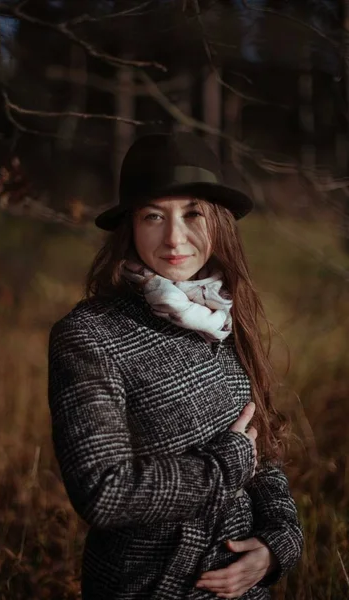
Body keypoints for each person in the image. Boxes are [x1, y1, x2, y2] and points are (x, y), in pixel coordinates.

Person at [48, 132, 303, 599]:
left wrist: (277, 543)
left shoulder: (222, 315)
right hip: (150, 586)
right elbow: (103, 492)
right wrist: (225, 465)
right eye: (153, 216)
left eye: (192, 214)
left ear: (219, 223)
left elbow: (260, 446)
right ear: (130, 226)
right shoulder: (90, 333)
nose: (174, 238)